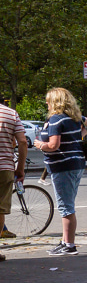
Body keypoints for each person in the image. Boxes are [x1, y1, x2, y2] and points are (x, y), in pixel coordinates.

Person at [33, 88, 87, 256]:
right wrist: (76, 139)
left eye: (48, 100)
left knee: (66, 206)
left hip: (63, 166)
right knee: (68, 204)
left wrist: (40, 145)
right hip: (76, 163)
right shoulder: (74, 117)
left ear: (55, 102)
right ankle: (66, 241)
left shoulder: (56, 119)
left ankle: (69, 245)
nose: (46, 103)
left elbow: (53, 146)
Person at [0, 97, 25, 244]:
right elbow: (22, 141)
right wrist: (20, 169)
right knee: (0, 209)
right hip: (4, 167)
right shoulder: (10, 114)